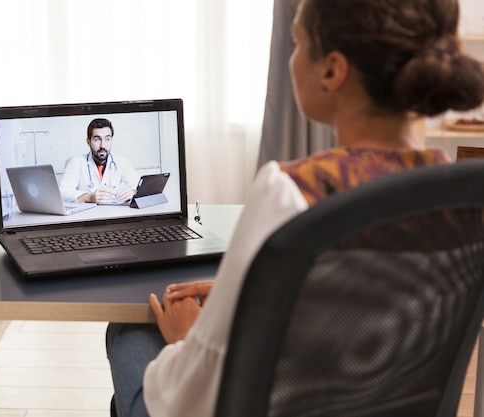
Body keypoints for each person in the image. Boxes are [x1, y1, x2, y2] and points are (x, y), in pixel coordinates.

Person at [106, 0, 484, 416]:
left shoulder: (290, 190)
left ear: (331, 70)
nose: (291, 60)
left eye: (297, 44)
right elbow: (370, 301)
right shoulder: (459, 196)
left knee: (129, 331)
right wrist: (259, 291)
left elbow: (199, 390)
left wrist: (185, 337)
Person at [59, 118, 140, 204]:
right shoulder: (76, 162)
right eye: (97, 139)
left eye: (107, 139)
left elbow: (139, 186)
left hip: (116, 213)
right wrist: (89, 197)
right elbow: (63, 192)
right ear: (88, 141)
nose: (103, 145)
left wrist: (133, 192)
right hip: (88, 215)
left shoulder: (122, 161)